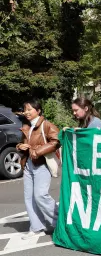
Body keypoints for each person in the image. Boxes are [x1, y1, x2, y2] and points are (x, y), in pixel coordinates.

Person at [17, 99, 60, 239]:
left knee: (40, 195)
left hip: (42, 163)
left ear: (38, 110)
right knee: (29, 198)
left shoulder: (46, 125)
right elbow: (25, 144)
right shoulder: (26, 127)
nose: (26, 112)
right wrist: (20, 146)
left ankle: (60, 221)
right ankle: (36, 227)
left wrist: (37, 151)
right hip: (28, 164)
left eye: (30, 109)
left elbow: (56, 141)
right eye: (25, 110)